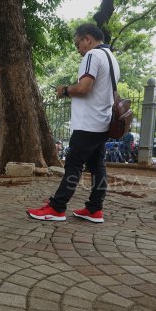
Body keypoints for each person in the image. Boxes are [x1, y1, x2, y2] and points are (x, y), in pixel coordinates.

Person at [27, 23, 119, 224]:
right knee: (97, 166)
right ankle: (95, 209)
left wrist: (65, 90)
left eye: (78, 44)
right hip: (102, 122)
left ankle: (57, 207)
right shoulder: (111, 58)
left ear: (88, 39)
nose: (78, 49)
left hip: (88, 124)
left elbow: (85, 87)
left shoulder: (92, 56)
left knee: (73, 166)